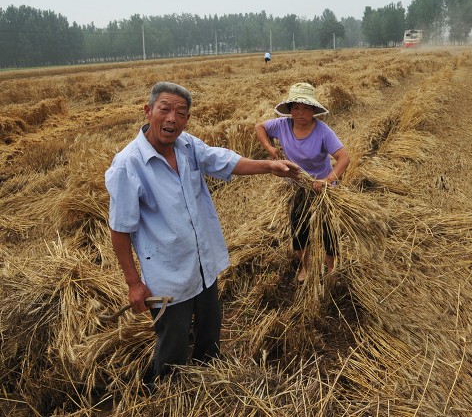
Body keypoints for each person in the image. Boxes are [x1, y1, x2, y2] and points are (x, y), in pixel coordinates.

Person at [105, 81, 300, 383]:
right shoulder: (128, 166)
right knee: (174, 342)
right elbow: (119, 231)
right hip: (169, 275)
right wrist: (133, 283)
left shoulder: (187, 146)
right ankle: (167, 393)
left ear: (187, 119)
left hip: (202, 263)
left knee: (210, 330)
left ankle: (208, 379)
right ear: (148, 111)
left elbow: (224, 160)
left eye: (181, 113)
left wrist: (269, 165)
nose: (172, 118)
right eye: (165, 109)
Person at [255, 82, 350, 282]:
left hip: (323, 189)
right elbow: (260, 127)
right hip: (298, 187)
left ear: (314, 110)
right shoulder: (281, 126)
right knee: (299, 232)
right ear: (289, 110)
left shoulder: (323, 131)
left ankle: (331, 269)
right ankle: (304, 267)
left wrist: (328, 180)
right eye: (296, 108)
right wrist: (270, 148)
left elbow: (344, 158)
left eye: (306, 108)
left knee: (328, 232)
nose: (300, 113)